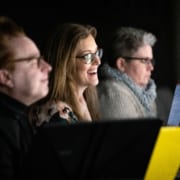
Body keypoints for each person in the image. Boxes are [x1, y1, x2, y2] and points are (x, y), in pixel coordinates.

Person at [0, 16, 52, 179]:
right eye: (33, 60)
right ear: (5, 77)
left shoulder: (18, 117)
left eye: (41, 59)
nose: (48, 67)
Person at [30, 22, 102, 125]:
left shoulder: (86, 99)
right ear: (65, 63)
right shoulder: (57, 114)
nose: (98, 61)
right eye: (88, 56)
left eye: (97, 53)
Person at [97, 26, 157, 120]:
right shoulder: (114, 95)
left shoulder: (147, 93)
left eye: (151, 61)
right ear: (122, 64)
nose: (151, 67)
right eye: (144, 60)